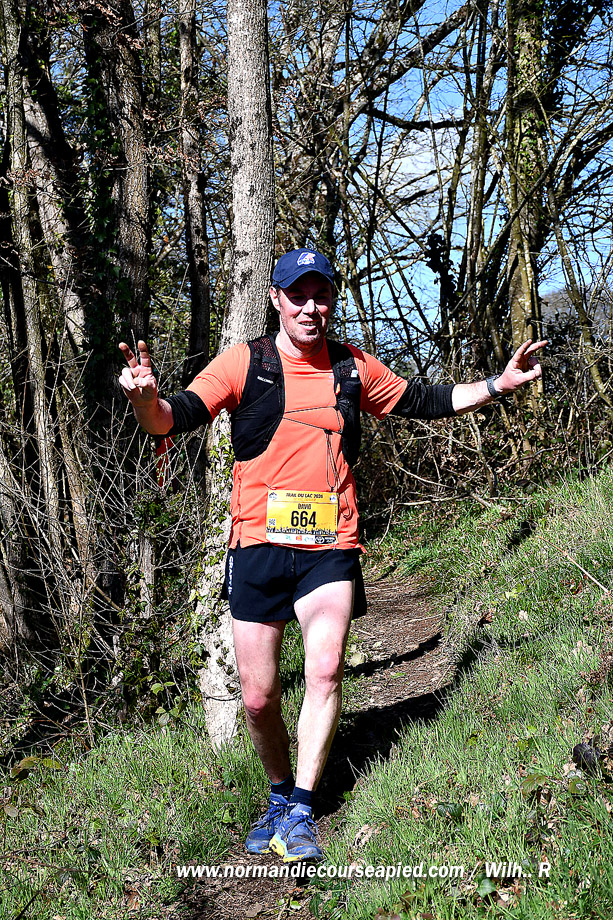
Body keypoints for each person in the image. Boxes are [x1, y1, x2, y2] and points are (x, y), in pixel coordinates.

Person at [119, 248, 546, 863]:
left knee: (324, 672)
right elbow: (171, 418)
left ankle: (300, 806)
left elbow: (421, 399)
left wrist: (497, 385)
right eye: (298, 295)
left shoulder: (351, 366)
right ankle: (276, 791)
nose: (310, 308)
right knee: (258, 698)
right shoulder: (245, 363)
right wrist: (144, 399)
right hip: (258, 545)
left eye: (321, 295)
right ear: (276, 298)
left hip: (329, 546)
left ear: (331, 300)